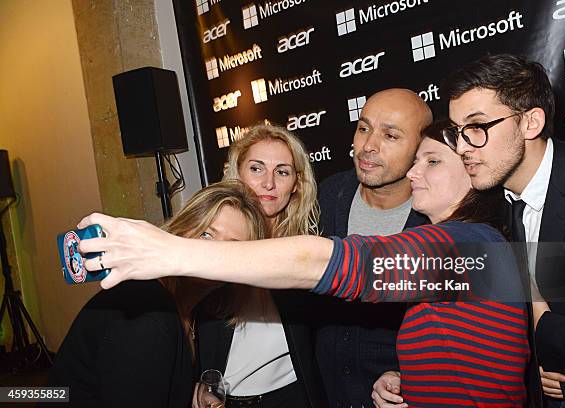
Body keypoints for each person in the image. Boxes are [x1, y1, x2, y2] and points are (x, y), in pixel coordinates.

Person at [77, 126, 531, 407]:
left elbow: (336, 262)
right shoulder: (478, 248)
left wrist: (170, 251)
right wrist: (408, 381)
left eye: (431, 161)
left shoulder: (471, 243)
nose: (412, 174)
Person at [441, 53, 565, 407]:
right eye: (456, 132)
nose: (461, 148)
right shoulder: (486, 208)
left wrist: (547, 332)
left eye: (476, 128)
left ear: (530, 122)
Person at [47, 180, 267, 407]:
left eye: (232, 247)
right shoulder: (147, 314)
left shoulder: (196, 310)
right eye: (206, 235)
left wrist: (191, 393)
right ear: (180, 231)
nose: (214, 253)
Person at [193, 124, 326, 407]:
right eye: (256, 168)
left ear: (296, 185)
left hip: (293, 397)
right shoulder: (212, 240)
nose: (268, 183)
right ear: (237, 174)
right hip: (225, 401)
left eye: (282, 171)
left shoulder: (305, 252)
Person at [316, 88, 430, 407]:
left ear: (422, 149)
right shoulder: (328, 195)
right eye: (363, 128)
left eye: (390, 136)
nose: (368, 146)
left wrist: (409, 375)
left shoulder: (437, 221)